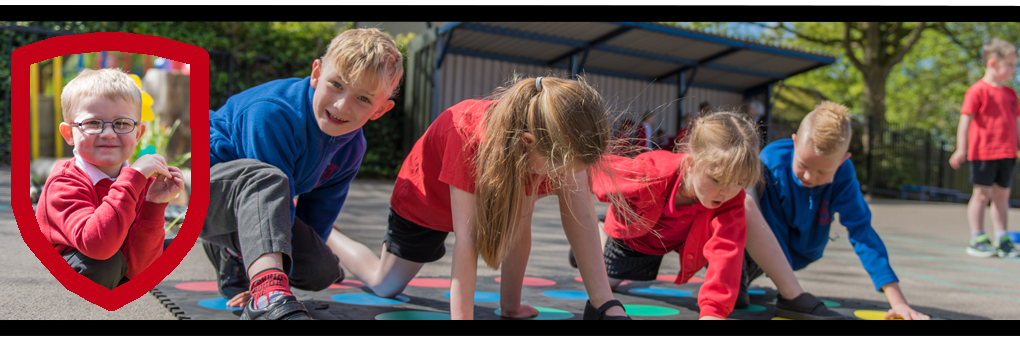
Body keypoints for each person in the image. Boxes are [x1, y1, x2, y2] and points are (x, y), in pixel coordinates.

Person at [328, 76, 631, 320]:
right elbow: (468, 240)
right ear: (528, 143)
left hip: (496, 180)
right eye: (560, 169)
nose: (562, 179)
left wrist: (511, 308)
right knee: (385, 284)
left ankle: (601, 301)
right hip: (426, 202)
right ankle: (329, 235)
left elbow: (535, 230)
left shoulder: (546, 139)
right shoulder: (467, 135)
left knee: (558, 189)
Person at [201, 28, 403, 320]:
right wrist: (271, 282)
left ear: (380, 110)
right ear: (316, 73)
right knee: (269, 180)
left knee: (322, 271)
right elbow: (264, 205)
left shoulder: (352, 147)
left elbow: (319, 213)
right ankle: (264, 286)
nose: (341, 105)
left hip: (260, 210)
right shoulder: (272, 114)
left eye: (363, 99)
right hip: (204, 194)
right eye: (336, 84)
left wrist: (304, 259)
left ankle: (235, 257)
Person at [741, 101, 930, 320]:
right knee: (735, 297)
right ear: (794, 142)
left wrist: (899, 302)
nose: (810, 177)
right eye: (803, 165)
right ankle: (737, 269)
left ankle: (748, 273)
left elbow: (862, 231)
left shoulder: (843, 175)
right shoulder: (771, 161)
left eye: (823, 171)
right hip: (756, 245)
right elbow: (759, 221)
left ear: (842, 161)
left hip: (800, 251)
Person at [583, 111, 762, 320]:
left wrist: (713, 312)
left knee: (737, 298)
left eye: (739, 183)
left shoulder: (731, 198)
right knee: (607, 285)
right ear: (692, 163)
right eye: (717, 180)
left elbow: (726, 247)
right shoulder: (648, 174)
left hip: (684, 242)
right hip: (637, 240)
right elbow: (598, 173)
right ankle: (600, 230)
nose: (727, 192)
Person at [36, 68, 186, 289]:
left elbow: (140, 269)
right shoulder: (64, 182)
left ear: (138, 134)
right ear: (69, 134)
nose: (108, 133)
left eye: (123, 123)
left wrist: (154, 204)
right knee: (106, 263)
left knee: (158, 249)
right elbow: (98, 246)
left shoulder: (138, 182)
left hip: (108, 267)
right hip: (60, 278)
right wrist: (132, 178)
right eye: (93, 123)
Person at [949, 37, 1019, 258]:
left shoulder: (1011, 95)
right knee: (981, 194)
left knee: (1002, 196)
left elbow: (1016, 124)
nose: (1013, 69)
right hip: (984, 152)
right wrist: (961, 149)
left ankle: (1001, 237)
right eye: (1010, 64)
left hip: (1008, 152)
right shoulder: (977, 91)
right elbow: (965, 121)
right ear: (992, 63)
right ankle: (977, 236)